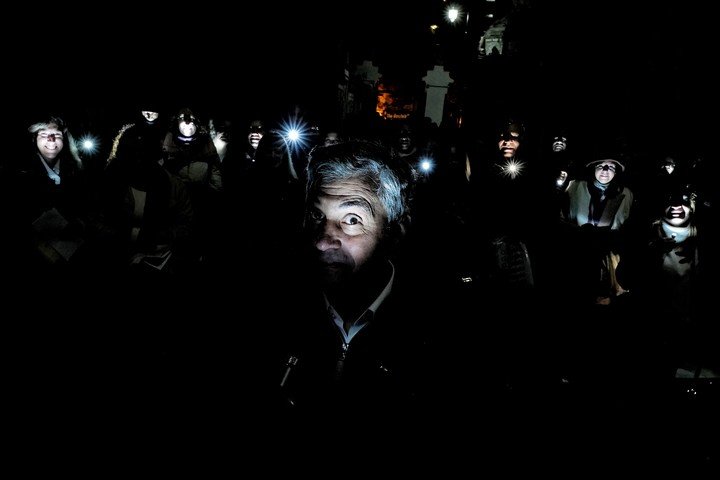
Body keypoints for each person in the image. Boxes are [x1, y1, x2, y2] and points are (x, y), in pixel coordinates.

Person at [273, 140, 452, 422]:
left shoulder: (437, 332)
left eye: (352, 220)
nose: (322, 241)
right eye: (316, 215)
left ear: (394, 231)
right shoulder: (277, 310)